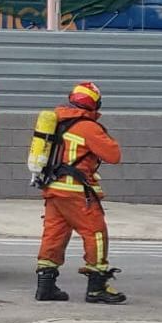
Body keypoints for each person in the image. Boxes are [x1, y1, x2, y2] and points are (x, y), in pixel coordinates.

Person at [35, 81, 128, 304]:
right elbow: (114, 155)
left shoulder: (57, 122)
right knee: (96, 233)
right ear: (95, 104)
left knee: (54, 235)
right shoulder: (88, 127)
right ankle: (97, 287)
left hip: (53, 189)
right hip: (75, 191)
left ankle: (45, 286)